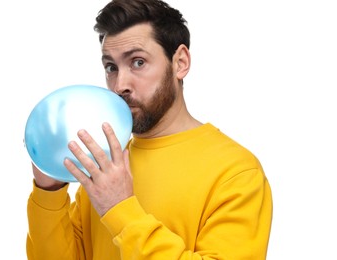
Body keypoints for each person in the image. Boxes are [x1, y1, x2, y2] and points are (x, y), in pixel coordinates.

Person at [26, 0, 273, 259]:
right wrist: (48, 192)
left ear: (180, 63)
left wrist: (120, 209)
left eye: (138, 62)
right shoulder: (107, 165)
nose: (120, 84)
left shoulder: (237, 172)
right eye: (111, 67)